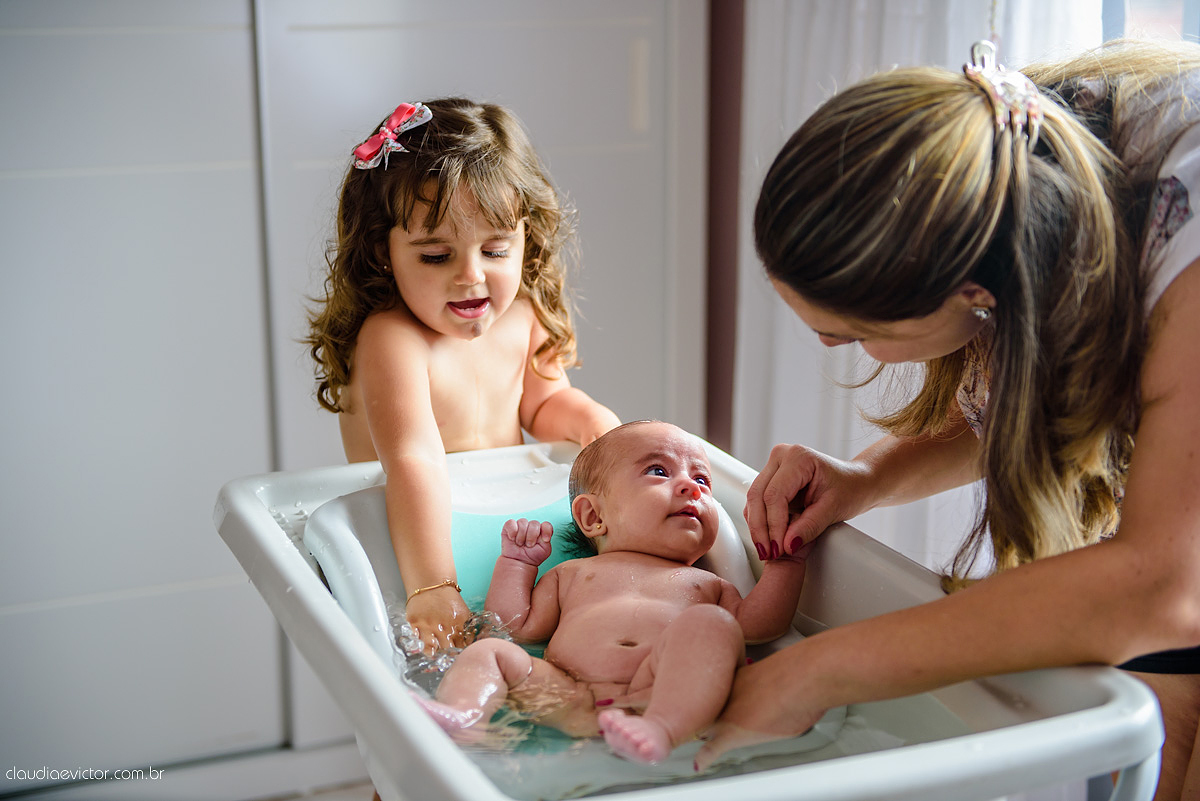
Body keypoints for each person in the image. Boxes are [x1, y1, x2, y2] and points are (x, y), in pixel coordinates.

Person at [693, 39, 1200, 798]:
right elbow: (1029, 397)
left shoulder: (1180, 251)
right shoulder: (995, 160)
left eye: (853, 331)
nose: (832, 347)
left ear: (973, 292)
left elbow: (1162, 586)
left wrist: (820, 668)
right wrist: (866, 476)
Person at [306, 98, 620, 655]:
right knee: (436, 670)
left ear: (527, 237)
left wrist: (596, 426)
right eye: (435, 256)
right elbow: (414, 460)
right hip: (411, 541)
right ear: (385, 253)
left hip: (502, 531)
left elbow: (544, 406)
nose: (471, 276)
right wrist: (431, 587)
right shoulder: (393, 339)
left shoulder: (524, 314)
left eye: (496, 249)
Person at [415, 420, 809, 765]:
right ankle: (465, 715)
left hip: (662, 694)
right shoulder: (572, 574)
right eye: (658, 471)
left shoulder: (707, 584)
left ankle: (662, 728)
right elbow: (515, 628)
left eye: (703, 480)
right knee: (489, 653)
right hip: (570, 694)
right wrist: (517, 565)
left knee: (715, 624)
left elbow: (760, 627)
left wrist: (787, 561)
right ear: (593, 516)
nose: (692, 487)